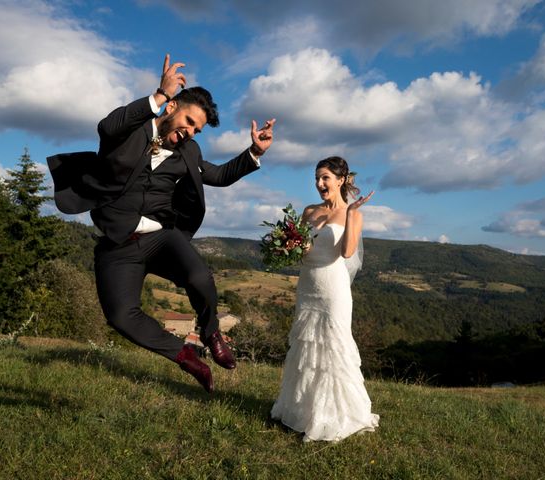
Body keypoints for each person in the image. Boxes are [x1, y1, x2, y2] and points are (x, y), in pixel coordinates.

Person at [47, 54, 275, 393]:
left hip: (161, 237)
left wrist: (253, 152)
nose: (191, 132)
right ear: (171, 108)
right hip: (118, 243)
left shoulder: (190, 152)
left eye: (197, 130)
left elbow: (220, 175)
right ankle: (187, 357)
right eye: (189, 122)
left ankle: (212, 334)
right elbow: (107, 126)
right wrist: (158, 95)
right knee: (121, 316)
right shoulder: (128, 133)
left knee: (199, 276)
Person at [270, 156, 379, 442]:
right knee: (307, 347)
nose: (319, 184)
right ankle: (302, 411)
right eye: (317, 178)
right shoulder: (309, 211)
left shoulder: (353, 214)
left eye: (325, 178)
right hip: (307, 287)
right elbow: (305, 250)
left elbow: (346, 253)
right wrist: (288, 247)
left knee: (333, 346)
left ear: (340, 180)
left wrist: (352, 214)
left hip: (333, 290)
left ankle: (334, 415)